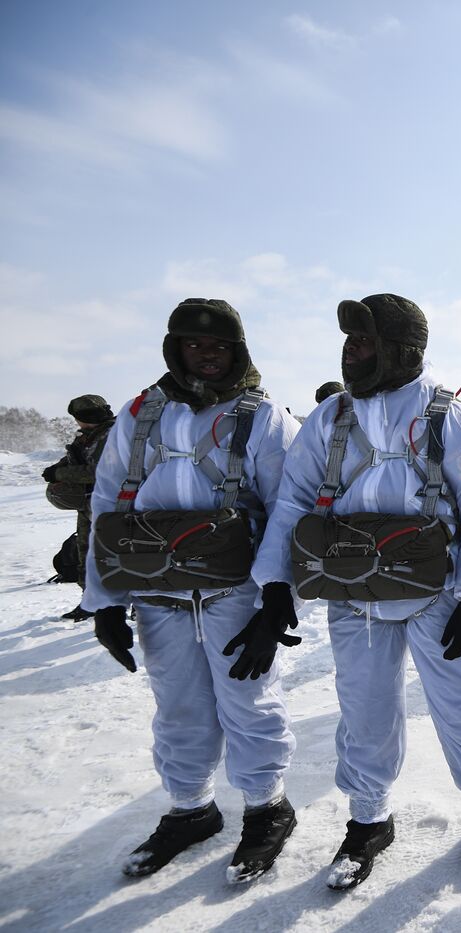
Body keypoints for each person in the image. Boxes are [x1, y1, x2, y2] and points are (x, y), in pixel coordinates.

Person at [252, 293, 461, 888]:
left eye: (365, 341)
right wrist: (275, 584)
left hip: (436, 596)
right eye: (349, 340)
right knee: (363, 713)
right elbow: (293, 501)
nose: (351, 352)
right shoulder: (329, 418)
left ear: (403, 350)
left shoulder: (451, 418)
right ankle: (369, 818)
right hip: (353, 597)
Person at [82, 299, 300, 882]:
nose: (207, 356)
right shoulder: (138, 414)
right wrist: (103, 601)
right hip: (157, 595)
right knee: (177, 709)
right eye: (195, 345)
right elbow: (107, 502)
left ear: (239, 351)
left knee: (249, 703)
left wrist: (277, 603)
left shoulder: (264, 418)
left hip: (234, 593)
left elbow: (287, 510)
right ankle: (191, 809)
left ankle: (266, 807)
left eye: (220, 347)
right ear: (174, 349)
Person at [42, 394, 117, 620]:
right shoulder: (88, 437)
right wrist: (58, 468)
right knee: (86, 554)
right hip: (88, 504)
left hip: (108, 505)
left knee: (111, 556)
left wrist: (60, 474)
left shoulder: (113, 435)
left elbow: (100, 471)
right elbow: (76, 460)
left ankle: (127, 604)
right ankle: (90, 602)